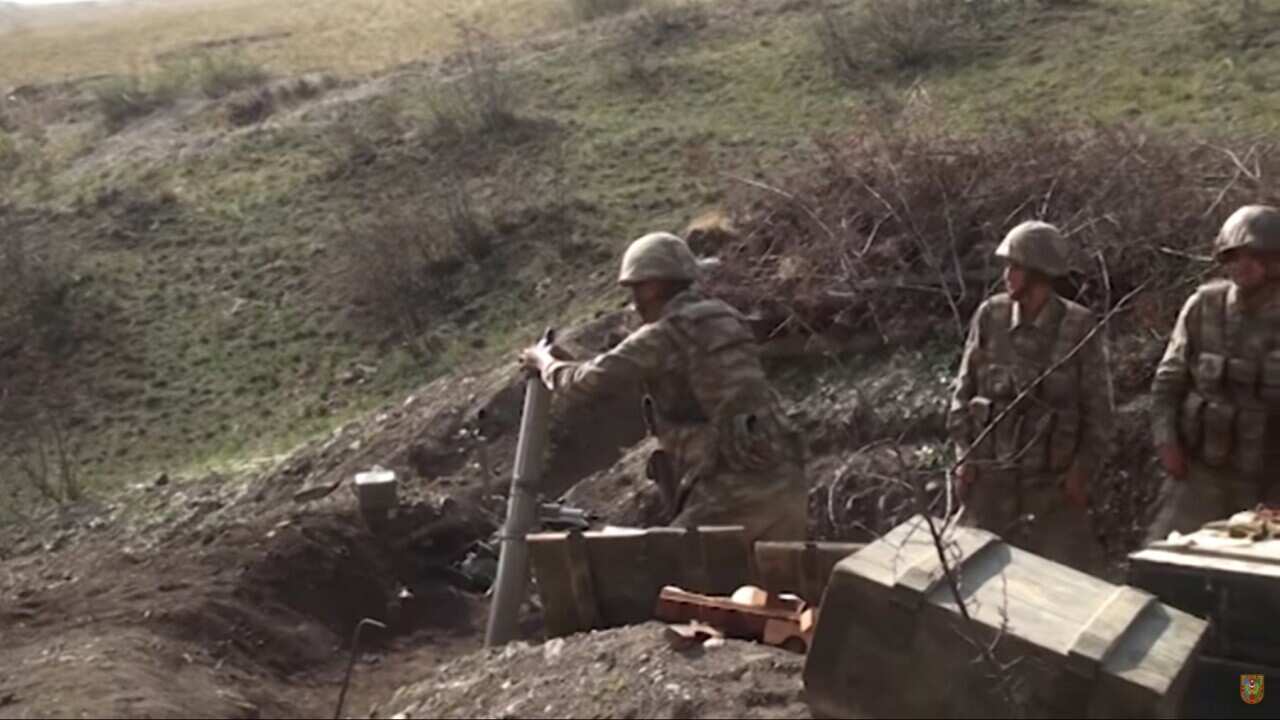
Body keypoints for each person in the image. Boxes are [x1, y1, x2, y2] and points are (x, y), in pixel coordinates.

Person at [519, 232, 808, 545]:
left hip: (731, 493)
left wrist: (543, 361)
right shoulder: (726, 319)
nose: (634, 302)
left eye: (635, 290)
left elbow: (584, 384)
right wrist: (574, 362)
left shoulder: (667, 334)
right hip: (787, 481)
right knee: (774, 590)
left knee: (663, 580)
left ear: (652, 286)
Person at [947, 220, 1112, 573]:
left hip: (1051, 490)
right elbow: (963, 392)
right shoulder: (991, 316)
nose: (1007, 275)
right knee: (961, 577)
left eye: (1015, 267)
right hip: (990, 484)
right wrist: (964, 458)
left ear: (1039, 273)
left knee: (1071, 587)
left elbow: (1098, 411)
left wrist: (1081, 473)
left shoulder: (1078, 326)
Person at [1148, 205, 1280, 542]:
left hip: (1266, 483)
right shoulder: (1203, 306)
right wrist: (1167, 442)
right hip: (1199, 474)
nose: (1243, 265)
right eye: (1234, 256)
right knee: (1161, 562)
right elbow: (1168, 381)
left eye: (1255, 255)